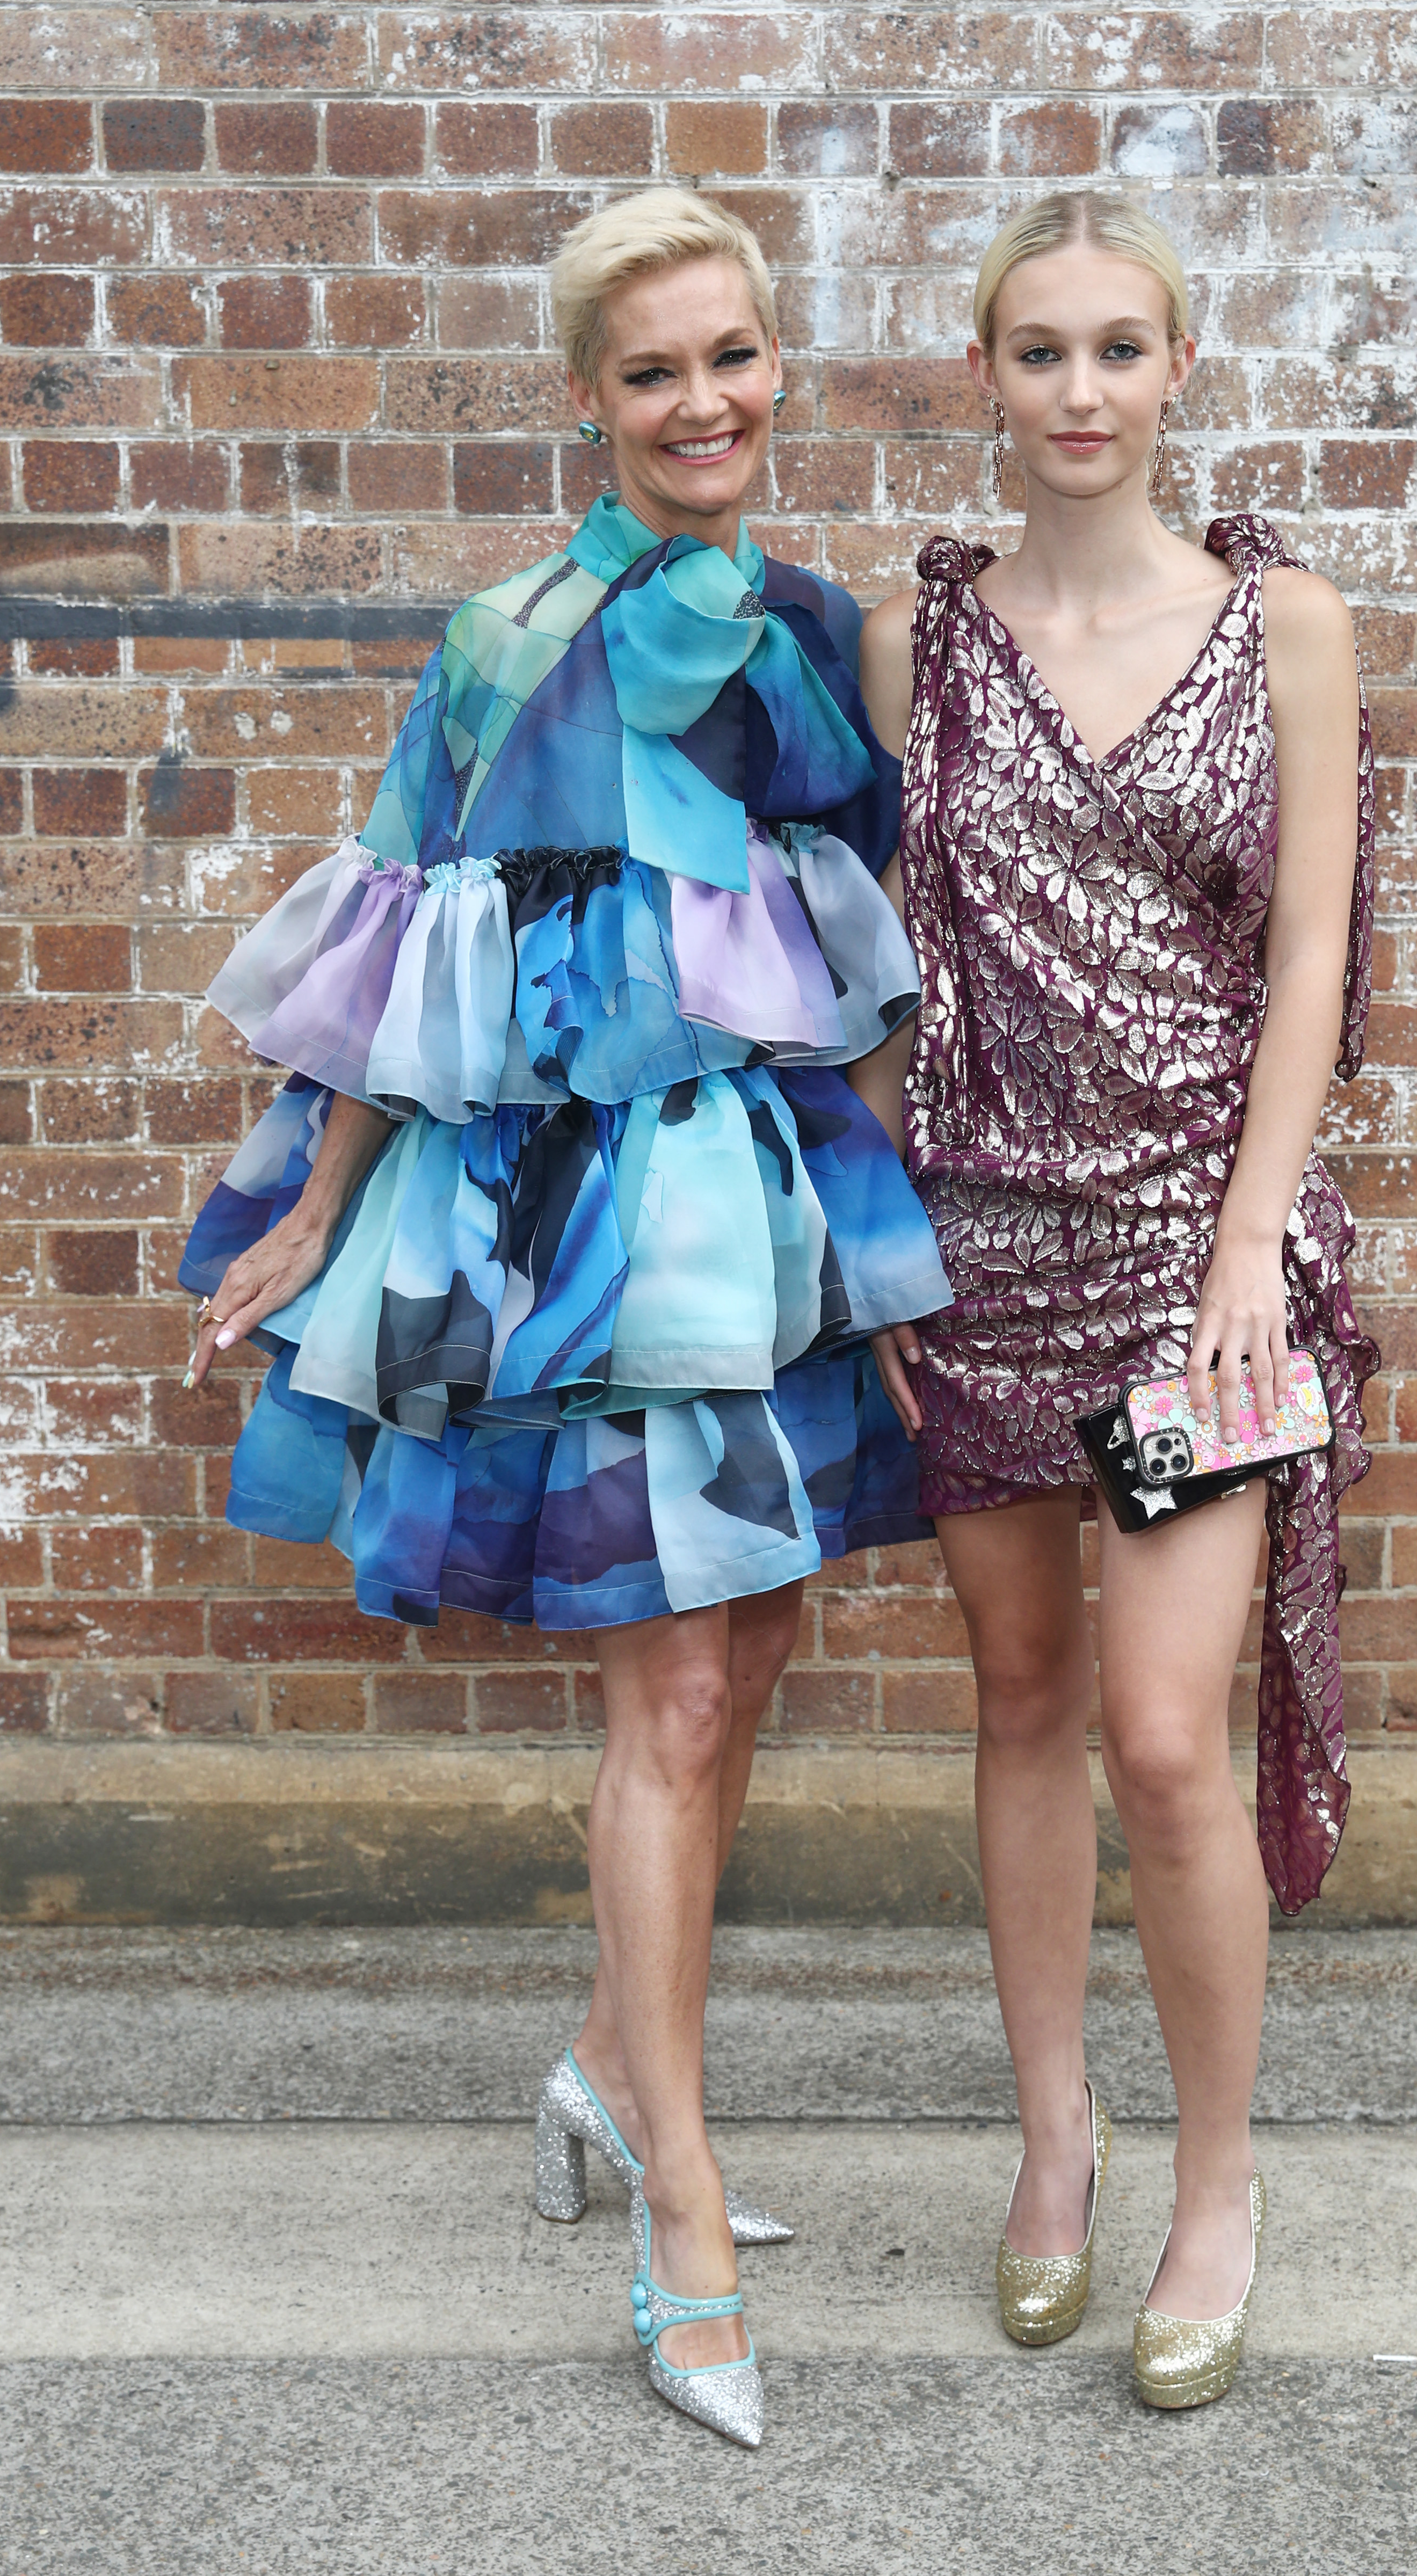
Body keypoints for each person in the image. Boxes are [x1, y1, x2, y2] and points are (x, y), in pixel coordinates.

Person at [181, 188, 950, 2449]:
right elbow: (395, 939)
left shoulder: (811, 626)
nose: (701, 400)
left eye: (732, 355)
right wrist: (316, 1207)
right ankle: (682, 2203)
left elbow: (861, 932)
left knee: (760, 1647)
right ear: (584, 399)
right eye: (649, 371)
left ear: (772, 362)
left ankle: (608, 2069)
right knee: (678, 1676)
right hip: (568, 1226)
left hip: (771, 1209)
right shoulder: (505, 636)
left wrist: (885, 1230)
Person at [852, 190, 1376, 2410]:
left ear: (1179, 371)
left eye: (1117, 349)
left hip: (1191, 1255)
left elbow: (1305, 955)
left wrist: (1254, 1225)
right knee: (1022, 1698)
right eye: (1036, 351)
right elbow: (885, 954)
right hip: (974, 1239)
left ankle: (1215, 2181)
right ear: (982, 377)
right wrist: (879, 1213)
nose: (1079, 390)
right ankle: (1053, 2140)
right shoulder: (911, 646)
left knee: (1168, 1735)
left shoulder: (1285, 625)